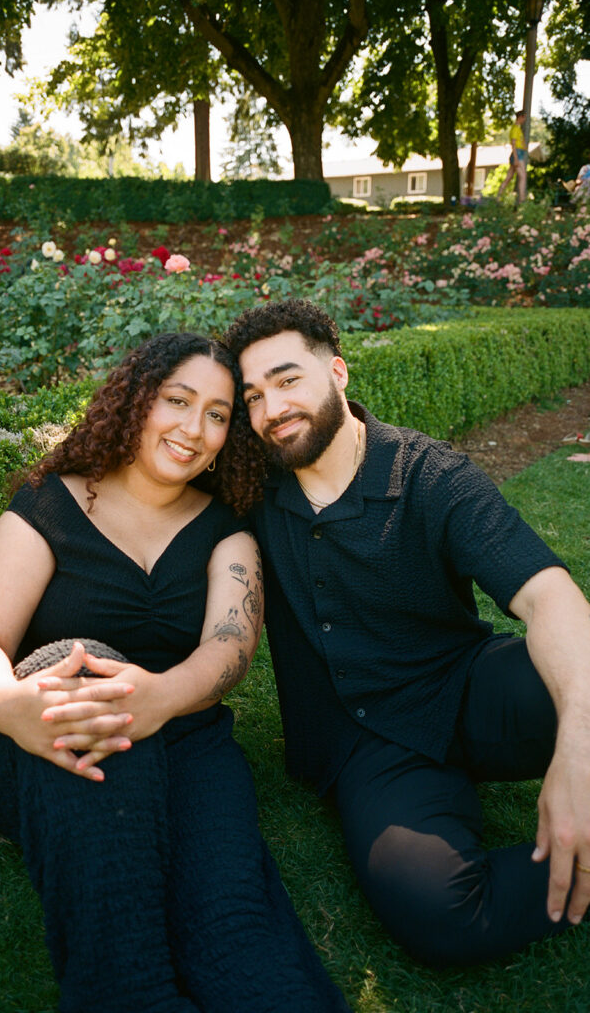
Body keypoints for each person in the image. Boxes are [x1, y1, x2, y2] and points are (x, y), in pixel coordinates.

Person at [0, 332, 351, 1013]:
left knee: (234, 934)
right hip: (39, 739)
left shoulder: (226, 528)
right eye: (178, 401)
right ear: (136, 400)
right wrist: (11, 706)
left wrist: (161, 697)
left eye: (218, 415)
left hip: (186, 740)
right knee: (78, 666)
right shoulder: (52, 506)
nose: (194, 430)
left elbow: (229, 644)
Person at [221, 298, 590, 968]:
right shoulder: (247, 488)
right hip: (363, 744)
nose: (271, 408)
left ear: (337, 373)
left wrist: (577, 751)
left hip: (466, 687)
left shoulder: (430, 476)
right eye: (253, 396)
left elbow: (548, 597)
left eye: (287, 380)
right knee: (443, 918)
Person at [497, 110, 527, 205]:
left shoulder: (518, 129)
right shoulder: (515, 128)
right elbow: (513, 144)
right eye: (524, 117)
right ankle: (522, 200)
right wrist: (516, 158)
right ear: (520, 117)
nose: (525, 120)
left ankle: (498, 197)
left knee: (509, 178)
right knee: (523, 176)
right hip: (517, 154)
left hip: (519, 153)